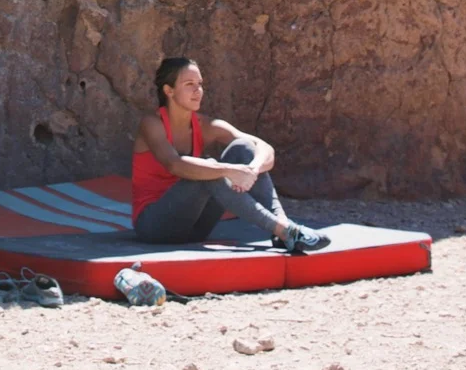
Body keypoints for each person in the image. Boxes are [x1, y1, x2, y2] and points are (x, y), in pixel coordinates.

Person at [132, 56, 330, 253]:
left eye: (200, 84)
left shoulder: (205, 125)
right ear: (169, 90)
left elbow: (264, 148)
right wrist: (228, 170)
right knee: (209, 169)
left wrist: (252, 170)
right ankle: (285, 230)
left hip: (196, 228)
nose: (198, 90)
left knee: (243, 147)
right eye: (189, 84)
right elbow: (174, 164)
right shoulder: (152, 124)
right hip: (155, 226)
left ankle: (283, 229)